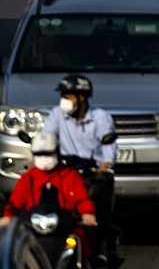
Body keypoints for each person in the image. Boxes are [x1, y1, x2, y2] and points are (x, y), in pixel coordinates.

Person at [40, 75, 118, 266]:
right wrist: (37, 158)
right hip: (66, 171)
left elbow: (108, 142)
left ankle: (102, 250)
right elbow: (46, 137)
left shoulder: (100, 117)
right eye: (63, 96)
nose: (64, 100)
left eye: (69, 96)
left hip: (93, 173)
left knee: (99, 202)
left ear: (82, 98)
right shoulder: (57, 114)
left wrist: (106, 163)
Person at [0, 130, 98, 235]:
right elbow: (16, 201)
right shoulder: (28, 177)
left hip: (64, 228)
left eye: (48, 154)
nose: (44, 158)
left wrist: (88, 213)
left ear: (57, 153)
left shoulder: (71, 176)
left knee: (80, 238)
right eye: (39, 154)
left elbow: (82, 200)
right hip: (32, 228)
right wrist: (8, 216)